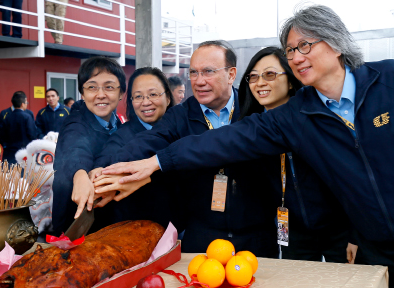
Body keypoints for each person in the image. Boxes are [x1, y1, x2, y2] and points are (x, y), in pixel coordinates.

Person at [102, 5, 394, 288]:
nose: (297, 57)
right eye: (290, 50)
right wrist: (157, 163)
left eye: (306, 45)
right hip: (375, 249)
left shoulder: (393, 79)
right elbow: (225, 140)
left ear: (336, 43)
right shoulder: (297, 115)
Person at [91, 41, 280, 259]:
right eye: (193, 73)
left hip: (257, 235)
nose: (199, 81)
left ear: (231, 74)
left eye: (208, 71)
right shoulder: (180, 116)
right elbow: (147, 141)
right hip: (202, 235)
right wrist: (101, 169)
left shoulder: (255, 106)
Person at [239, 46, 352, 263]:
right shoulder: (251, 130)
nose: (260, 82)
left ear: (290, 81)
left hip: (338, 229)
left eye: (269, 74)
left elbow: (351, 178)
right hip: (293, 232)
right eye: (253, 77)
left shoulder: (319, 116)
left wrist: (356, 233)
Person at [69, 66, 175, 234]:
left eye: (153, 94)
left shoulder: (182, 128)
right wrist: (98, 171)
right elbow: (109, 156)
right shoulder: (123, 135)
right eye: (138, 96)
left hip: (181, 224)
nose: (146, 102)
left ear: (168, 98)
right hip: (136, 229)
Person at [51, 56, 127, 236]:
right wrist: (79, 175)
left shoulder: (121, 127)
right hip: (75, 230)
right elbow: (74, 148)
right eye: (92, 87)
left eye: (109, 87)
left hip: (112, 226)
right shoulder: (75, 122)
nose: (101, 94)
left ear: (121, 92)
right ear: (82, 94)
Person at [0, 91, 36, 164]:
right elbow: (32, 134)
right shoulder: (27, 116)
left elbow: (0, 132)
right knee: (23, 172)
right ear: (22, 104)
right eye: (26, 103)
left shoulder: (7, 116)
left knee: (10, 171)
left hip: (9, 149)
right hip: (24, 149)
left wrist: (5, 145)